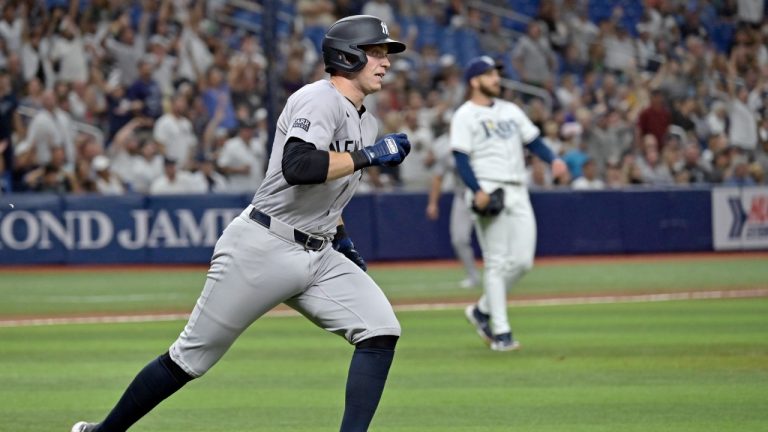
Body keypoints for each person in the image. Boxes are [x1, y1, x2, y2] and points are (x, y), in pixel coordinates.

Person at [71, 14, 411, 432]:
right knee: (189, 358)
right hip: (264, 244)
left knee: (380, 329)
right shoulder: (317, 99)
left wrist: (342, 239)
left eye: (385, 53)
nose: (386, 61)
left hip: (318, 251)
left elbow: (327, 192)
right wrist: (370, 156)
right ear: (349, 55)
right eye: (376, 52)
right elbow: (298, 166)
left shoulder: (367, 121)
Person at [452, 56, 567, 352]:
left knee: (523, 261)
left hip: (518, 189)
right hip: (489, 190)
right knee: (497, 262)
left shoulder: (511, 110)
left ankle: (481, 310)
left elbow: (534, 140)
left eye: (496, 74)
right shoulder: (464, 115)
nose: (496, 79)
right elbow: (461, 157)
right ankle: (501, 333)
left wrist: (552, 159)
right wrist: (476, 189)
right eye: (490, 75)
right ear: (475, 81)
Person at [425, 126, 480, 288]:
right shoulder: (448, 150)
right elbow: (438, 177)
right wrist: (433, 203)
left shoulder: (479, 143)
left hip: (485, 194)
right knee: (459, 239)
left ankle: (499, 276)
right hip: (463, 197)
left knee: (494, 240)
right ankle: (473, 276)